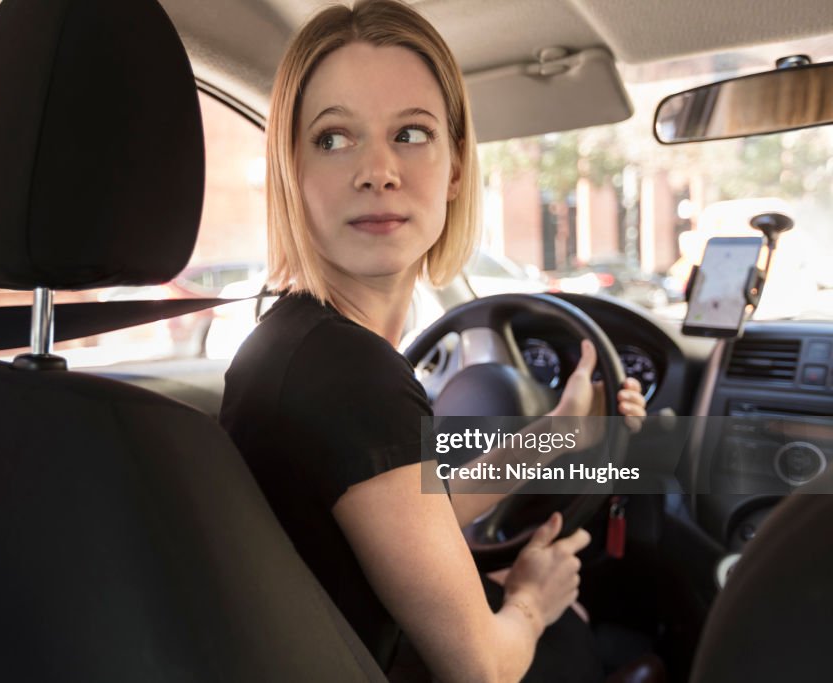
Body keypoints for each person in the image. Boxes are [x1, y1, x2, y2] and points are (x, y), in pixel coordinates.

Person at [219, 2, 647, 681]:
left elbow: (409, 503)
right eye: (334, 139)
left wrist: (561, 430)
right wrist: (535, 598)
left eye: (411, 133)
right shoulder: (349, 376)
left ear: (454, 169)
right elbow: (482, 667)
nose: (378, 170)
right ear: (291, 173)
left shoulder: (293, 345)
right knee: (584, 631)